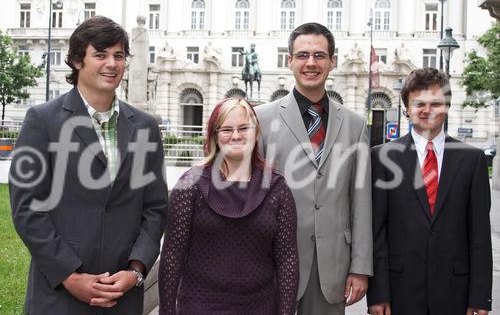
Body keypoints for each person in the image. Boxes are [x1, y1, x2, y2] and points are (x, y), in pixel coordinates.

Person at [9, 16, 168, 315]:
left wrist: (136, 270)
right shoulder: (42, 121)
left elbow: (156, 207)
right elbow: (27, 207)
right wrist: (69, 275)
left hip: (122, 295)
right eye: (101, 54)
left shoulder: (145, 127)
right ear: (77, 61)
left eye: (119, 55)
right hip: (59, 294)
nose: (112, 64)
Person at [255, 22, 372, 315]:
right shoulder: (261, 119)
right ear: (289, 60)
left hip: (331, 266)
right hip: (272, 260)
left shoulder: (355, 125)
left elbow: (361, 200)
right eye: (303, 55)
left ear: (333, 61)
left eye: (320, 55)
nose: (311, 63)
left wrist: (360, 267)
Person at [367, 68, 493, 315]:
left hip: (455, 291)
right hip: (399, 290)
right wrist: (378, 293)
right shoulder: (382, 157)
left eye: (436, 103)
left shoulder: (472, 159)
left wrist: (480, 297)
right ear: (407, 109)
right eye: (419, 104)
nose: (428, 110)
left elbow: (479, 235)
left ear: (447, 106)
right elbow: (377, 232)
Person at [158, 98, 299, 314]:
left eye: (244, 128)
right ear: (215, 135)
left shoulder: (277, 189)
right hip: (199, 305)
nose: (236, 136)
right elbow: (172, 255)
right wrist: (167, 312)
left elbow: (287, 258)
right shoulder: (190, 185)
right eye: (226, 129)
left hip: (259, 307)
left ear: (256, 132)